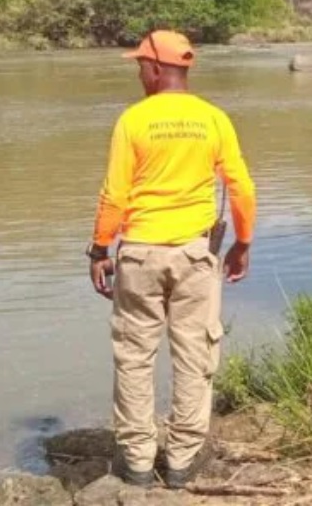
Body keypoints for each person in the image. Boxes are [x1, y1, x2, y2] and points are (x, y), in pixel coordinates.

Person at [86, 31, 256, 489]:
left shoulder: (133, 120)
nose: (138, 72)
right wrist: (242, 242)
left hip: (139, 253)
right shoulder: (214, 119)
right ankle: (180, 460)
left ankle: (138, 462)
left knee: (134, 357)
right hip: (194, 257)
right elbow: (241, 187)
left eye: (141, 65)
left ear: (158, 69)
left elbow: (115, 193)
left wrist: (100, 248)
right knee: (194, 354)